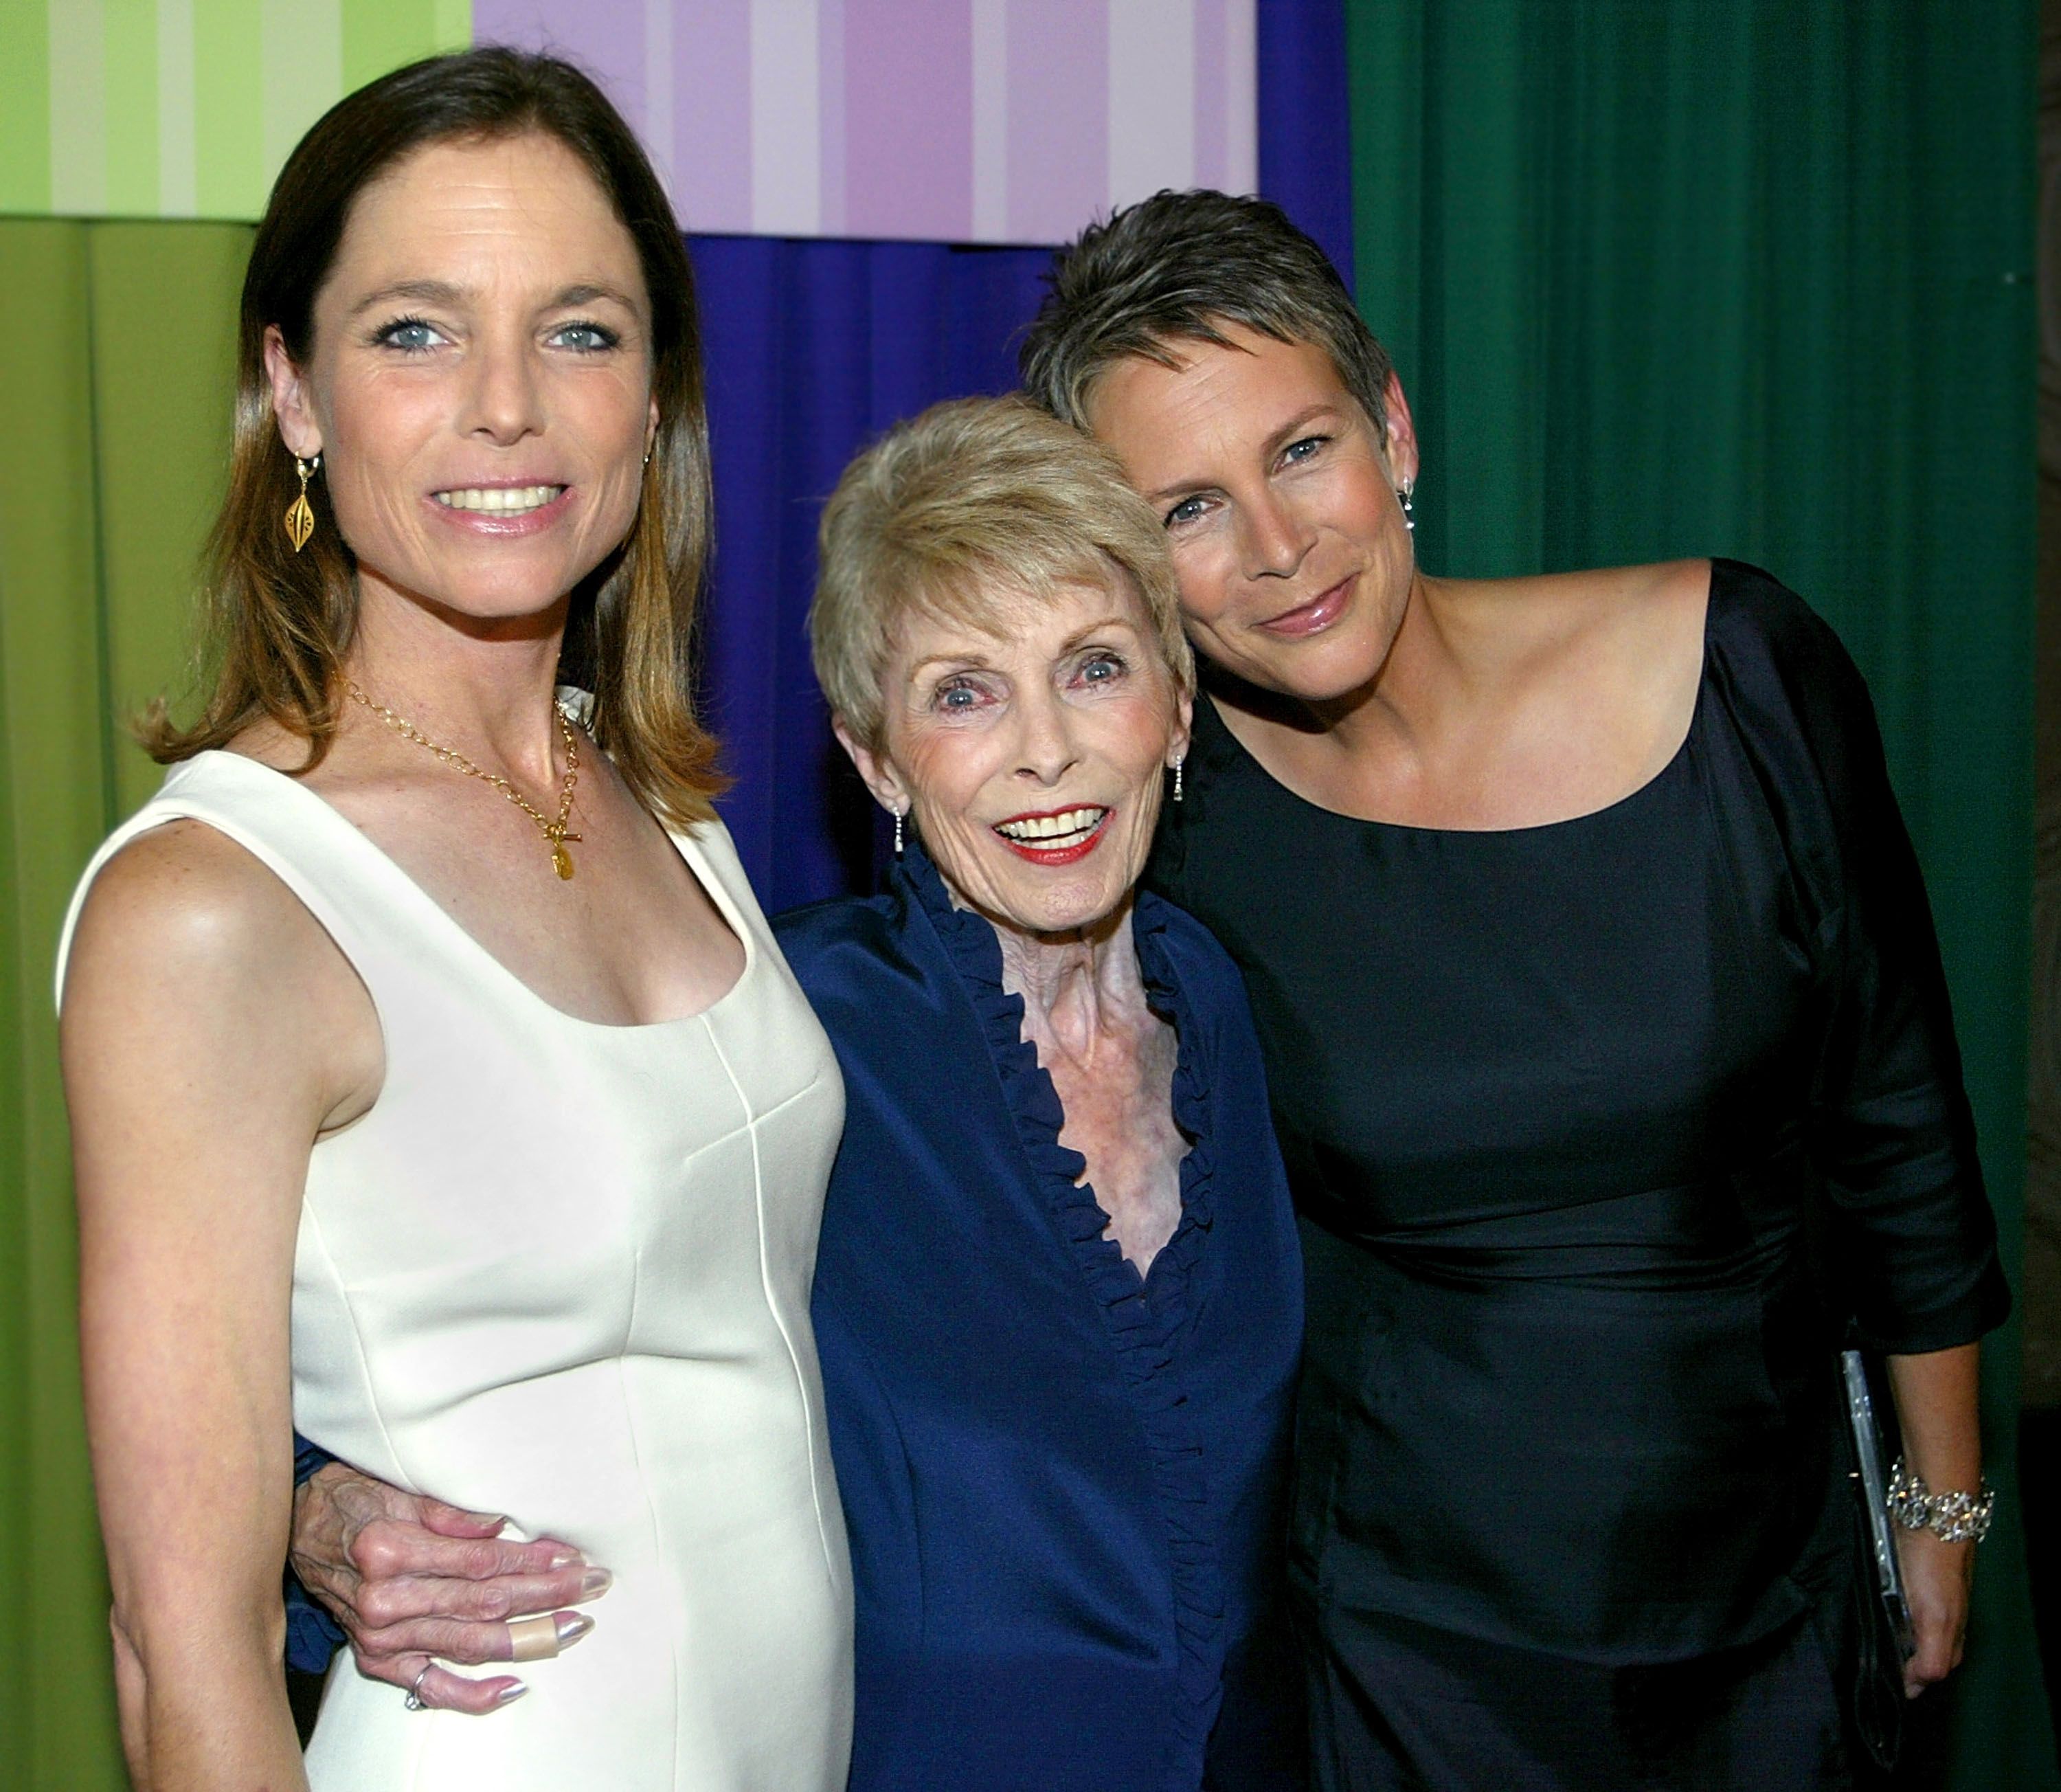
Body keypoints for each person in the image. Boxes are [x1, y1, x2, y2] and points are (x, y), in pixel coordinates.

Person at [1015, 190, 2011, 1789]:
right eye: (1184, 508)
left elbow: (1897, 1120)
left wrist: (1942, 1502)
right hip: (1402, 1642)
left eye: (1300, 449)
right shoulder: (1165, 828)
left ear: (1393, 428)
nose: (1275, 549)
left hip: (1778, 1594)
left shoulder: (1741, 668)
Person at [288, 396, 1307, 1789]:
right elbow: (466, 1277)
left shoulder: (1232, 999)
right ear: (874, 756)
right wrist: (317, 1500)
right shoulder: (778, 1016)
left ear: (1178, 709)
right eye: (962, 690)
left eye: (1095, 667)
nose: (1046, 748)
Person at [56, 49, 851, 1792]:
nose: (510, 405)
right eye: (417, 330)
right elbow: (178, 1657)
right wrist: (310, 1513)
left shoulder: (666, 811)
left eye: (580, 329)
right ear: (297, 388)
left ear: (654, 400)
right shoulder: (213, 905)